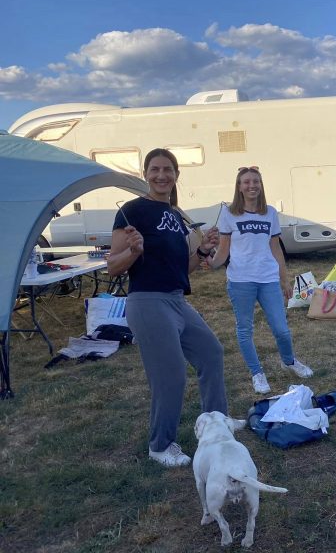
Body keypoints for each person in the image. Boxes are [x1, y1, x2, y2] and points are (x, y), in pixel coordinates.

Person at [107, 148, 227, 467]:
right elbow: (112, 267)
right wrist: (133, 252)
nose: (162, 175)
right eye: (155, 169)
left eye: (168, 170)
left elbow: (181, 269)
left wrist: (202, 250)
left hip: (176, 299)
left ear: (177, 175)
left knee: (211, 354)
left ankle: (216, 426)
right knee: (170, 376)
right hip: (147, 301)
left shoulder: (175, 216)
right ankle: (161, 445)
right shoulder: (133, 211)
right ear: (145, 174)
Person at [206, 165, 313, 394]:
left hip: (268, 278)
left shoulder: (270, 213)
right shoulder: (229, 214)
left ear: (260, 185)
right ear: (239, 186)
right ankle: (257, 373)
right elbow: (223, 250)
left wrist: (284, 280)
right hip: (240, 280)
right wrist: (212, 262)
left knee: (281, 329)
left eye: (255, 181)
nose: (251, 185)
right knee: (245, 329)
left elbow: (276, 248)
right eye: (246, 182)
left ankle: (289, 361)